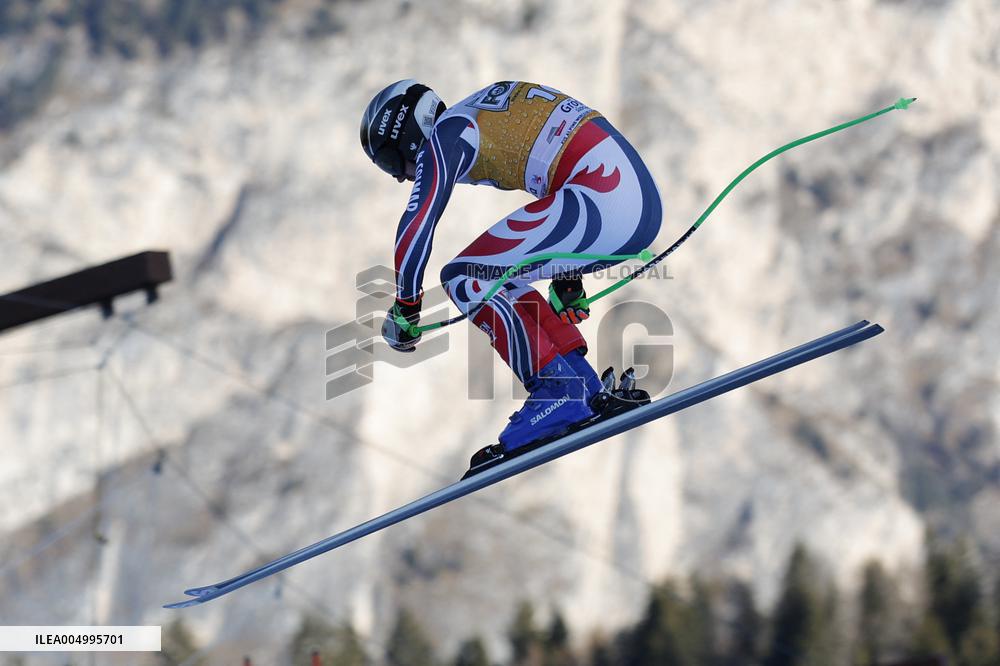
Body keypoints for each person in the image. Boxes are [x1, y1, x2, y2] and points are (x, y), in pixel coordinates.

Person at [360, 79, 661, 459]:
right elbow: (557, 170)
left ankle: (558, 391)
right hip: (631, 202)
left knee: (464, 278)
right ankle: (581, 385)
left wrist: (406, 306)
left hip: (604, 198)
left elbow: (417, 221)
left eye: (389, 161)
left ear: (405, 128)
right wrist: (567, 278)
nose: (400, 177)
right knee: (500, 275)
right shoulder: (478, 112)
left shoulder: (447, 133)